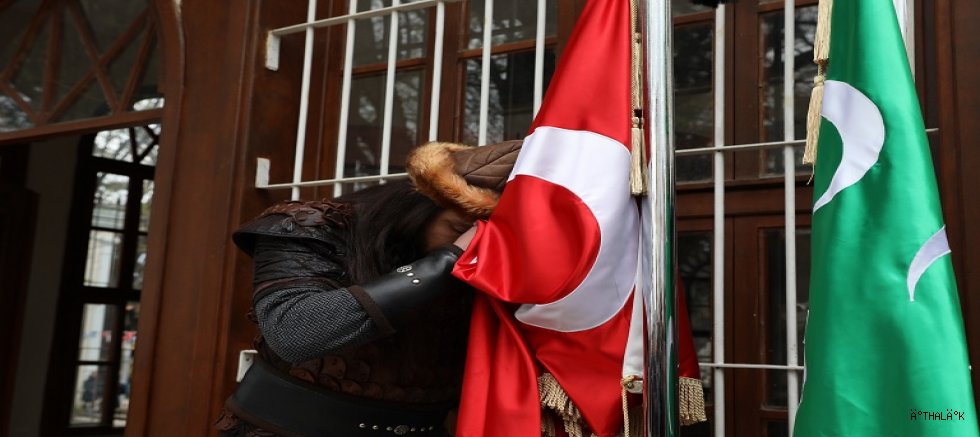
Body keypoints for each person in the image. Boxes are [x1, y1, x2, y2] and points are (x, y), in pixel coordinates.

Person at [215, 140, 522, 437]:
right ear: (421, 207)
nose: (475, 247)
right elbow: (294, 332)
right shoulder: (318, 226)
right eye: (459, 228)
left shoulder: (503, 268)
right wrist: (444, 262)